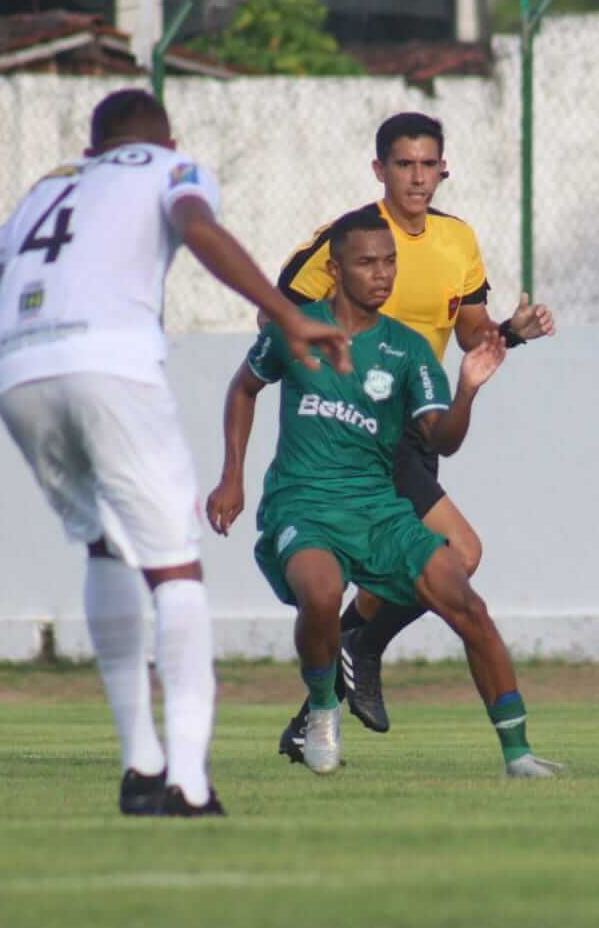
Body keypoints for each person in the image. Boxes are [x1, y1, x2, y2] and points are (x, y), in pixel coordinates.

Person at [0, 89, 351, 817]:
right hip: (109, 361)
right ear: (165, 139)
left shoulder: (47, 191)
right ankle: (186, 780)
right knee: (174, 565)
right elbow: (197, 226)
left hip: (13, 370)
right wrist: (284, 314)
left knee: (104, 547)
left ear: (92, 150)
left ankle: (140, 767)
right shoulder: (172, 168)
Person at [206, 208, 562, 779]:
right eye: (367, 262)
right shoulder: (296, 329)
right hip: (304, 503)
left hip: (378, 510)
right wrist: (232, 476)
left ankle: (518, 754)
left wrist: (468, 388)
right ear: (337, 268)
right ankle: (323, 710)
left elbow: (441, 440)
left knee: (466, 599)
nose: (383, 273)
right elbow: (244, 388)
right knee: (321, 595)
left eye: (390, 261)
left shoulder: (410, 351)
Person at [270, 111, 556, 761]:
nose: (417, 177)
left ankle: (332, 680)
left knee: (452, 559)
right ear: (380, 170)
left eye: (429, 164)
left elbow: (469, 333)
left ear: (443, 168)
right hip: (363, 431)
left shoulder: (458, 241)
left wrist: (511, 331)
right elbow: (280, 308)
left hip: (418, 425)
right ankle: (357, 650)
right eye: (404, 164)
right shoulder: (351, 240)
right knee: (461, 551)